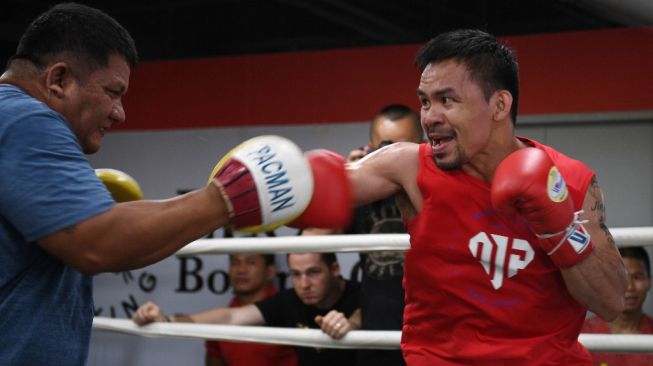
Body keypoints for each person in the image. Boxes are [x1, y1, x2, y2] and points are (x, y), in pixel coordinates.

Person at [0, 3, 349, 365]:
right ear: (59, 80)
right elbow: (97, 243)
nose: (120, 112)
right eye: (113, 91)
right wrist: (228, 197)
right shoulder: (25, 119)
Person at [345, 29, 627, 364]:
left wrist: (560, 228)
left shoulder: (570, 181)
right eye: (425, 101)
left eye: (447, 100)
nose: (430, 117)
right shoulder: (408, 166)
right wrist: (280, 185)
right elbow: (322, 188)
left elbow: (610, 301)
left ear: (499, 105)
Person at [134, 246, 361, 366]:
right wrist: (167, 320)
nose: (304, 284)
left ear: (334, 269)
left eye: (313, 273)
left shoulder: (363, 295)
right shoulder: (290, 300)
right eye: (295, 274)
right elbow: (230, 318)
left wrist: (351, 323)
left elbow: (370, 309)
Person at [346, 104, 423, 366]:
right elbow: (315, 236)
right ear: (371, 147)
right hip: (374, 339)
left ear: (422, 145)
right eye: (386, 148)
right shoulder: (361, 197)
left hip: (429, 340)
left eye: (402, 149)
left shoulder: (438, 190)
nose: (395, 159)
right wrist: (346, 181)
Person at [204, 253, 298, 366]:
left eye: (251, 262)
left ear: (270, 272)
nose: (241, 270)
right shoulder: (220, 319)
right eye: (235, 263)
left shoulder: (291, 310)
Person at [582, 246, 653, 366]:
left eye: (637, 277)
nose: (630, 287)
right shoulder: (585, 334)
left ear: (649, 281)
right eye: (622, 277)